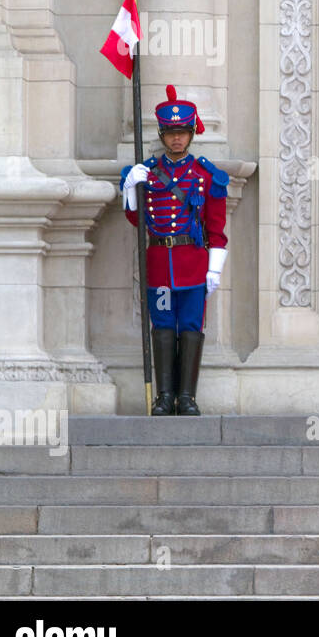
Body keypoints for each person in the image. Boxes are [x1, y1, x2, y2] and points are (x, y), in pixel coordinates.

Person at [120, 85, 229, 415]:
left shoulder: (205, 176)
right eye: (170, 133)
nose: (176, 139)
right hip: (159, 264)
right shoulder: (148, 174)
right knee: (164, 325)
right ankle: (165, 397)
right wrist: (129, 189)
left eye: (182, 132)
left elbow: (216, 229)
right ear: (162, 134)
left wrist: (214, 268)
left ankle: (187, 397)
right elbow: (136, 219)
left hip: (193, 264)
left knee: (191, 327)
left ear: (192, 133)